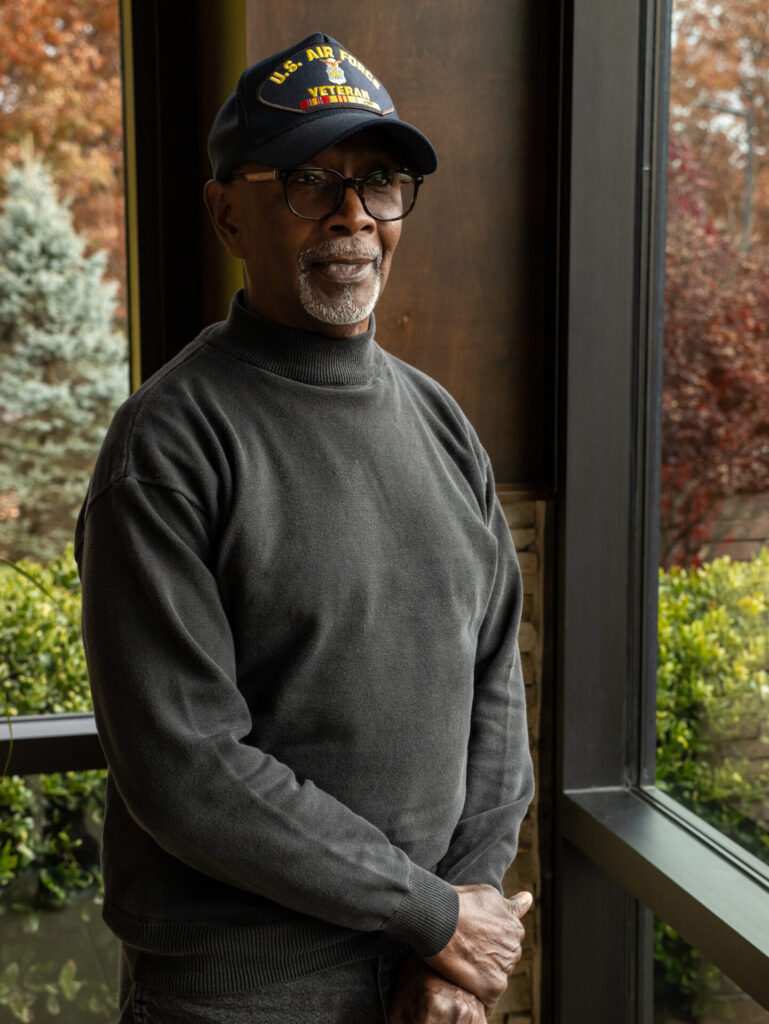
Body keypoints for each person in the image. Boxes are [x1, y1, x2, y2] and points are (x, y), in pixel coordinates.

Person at [75, 31, 535, 1024]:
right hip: (239, 996)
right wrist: (433, 913)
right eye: (309, 182)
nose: (354, 219)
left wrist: (462, 918)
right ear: (226, 210)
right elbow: (187, 768)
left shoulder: (441, 422)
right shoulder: (168, 443)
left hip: (422, 978)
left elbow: (495, 677)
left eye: (380, 183)